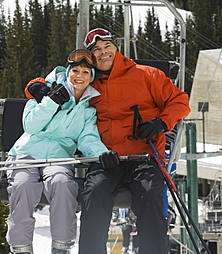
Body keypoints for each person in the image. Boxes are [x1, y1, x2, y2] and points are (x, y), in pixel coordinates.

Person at [25, 28, 191, 253]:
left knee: (150, 194)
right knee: (94, 192)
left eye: (107, 47)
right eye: (97, 50)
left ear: (116, 48)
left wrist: (161, 123)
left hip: (143, 155)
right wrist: (35, 87)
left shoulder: (146, 75)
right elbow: (58, 77)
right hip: (106, 157)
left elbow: (180, 102)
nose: (103, 53)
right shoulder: (89, 81)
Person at [6, 49, 110, 254]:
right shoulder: (43, 93)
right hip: (26, 153)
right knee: (23, 185)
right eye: (75, 71)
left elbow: (88, 138)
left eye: (86, 72)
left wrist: (102, 153)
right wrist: (50, 102)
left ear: (92, 78)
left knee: (63, 185)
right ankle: (20, 247)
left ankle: (62, 246)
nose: (79, 76)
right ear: (68, 72)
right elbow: (31, 126)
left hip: (59, 158)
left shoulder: (88, 110)